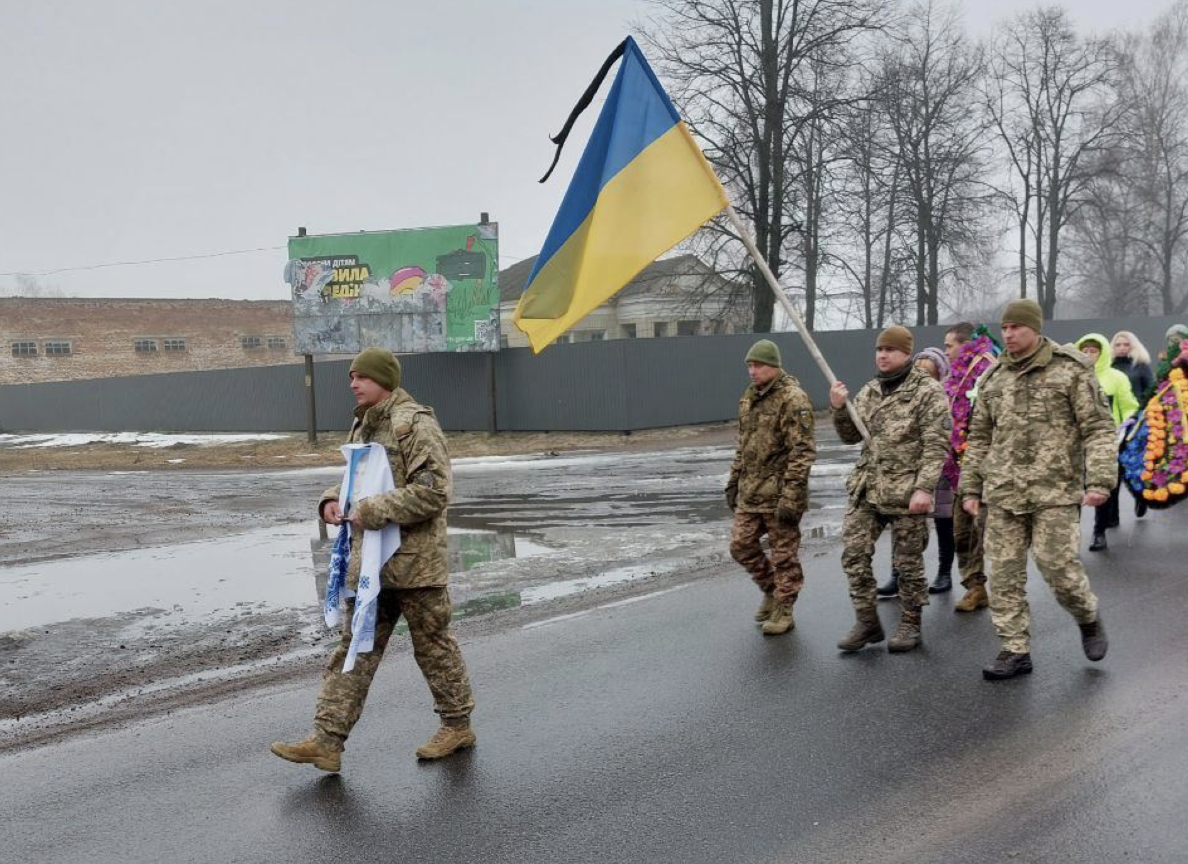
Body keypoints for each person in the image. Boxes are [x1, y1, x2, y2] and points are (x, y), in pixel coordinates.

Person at [272, 348, 476, 772]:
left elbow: (436, 491)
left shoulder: (414, 423)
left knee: (434, 649)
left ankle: (457, 726)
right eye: (351, 377)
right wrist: (331, 500)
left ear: (385, 379)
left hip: (416, 566)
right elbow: (358, 480)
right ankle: (327, 741)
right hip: (373, 566)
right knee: (354, 649)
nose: (353, 383)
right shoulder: (366, 422)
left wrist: (373, 510)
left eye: (361, 377)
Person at [959, 300, 1113, 680]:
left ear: (1034, 328)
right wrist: (970, 487)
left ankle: (1087, 617)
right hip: (1003, 493)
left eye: (1015, 327)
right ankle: (1014, 650)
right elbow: (979, 437)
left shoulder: (1070, 370)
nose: (1007, 334)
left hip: (1054, 493)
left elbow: (1098, 428)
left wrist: (1099, 480)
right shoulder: (993, 378)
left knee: (1059, 570)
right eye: (1004, 327)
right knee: (1005, 575)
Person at [830, 326, 950, 653]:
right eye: (880, 349)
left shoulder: (927, 391)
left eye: (890, 350)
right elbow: (851, 437)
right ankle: (867, 621)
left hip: (907, 490)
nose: (883, 355)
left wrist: (925, 488)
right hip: (869, 487)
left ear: (907, 353)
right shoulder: (871, 390)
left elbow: (936, 443)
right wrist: (840, 408)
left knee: (908, 562)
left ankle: (911, 622)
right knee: (854, 552)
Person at [726, 339, 816, 636]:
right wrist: (734, 480)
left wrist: (792, 495)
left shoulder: (793, 398)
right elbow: (744, 445)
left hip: (780, 494)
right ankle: (771, 590)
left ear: (774, 366)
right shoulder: (749, 398)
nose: (752, 371)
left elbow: (801, 451)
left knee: (783, 555)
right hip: (751, 492)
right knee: (740, 545)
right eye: (750, 365)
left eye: (759, 365)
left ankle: (784, 608)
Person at [877, 346, 954, 597]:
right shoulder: (902, 393)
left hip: (939, 468)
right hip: (906, 470)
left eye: (927, 373)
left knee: (944, 521)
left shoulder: (944, 395)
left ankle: (944, 572)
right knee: (901, 523)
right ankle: (897, 573)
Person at [942, 322, 998, 613]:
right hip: (960, 468)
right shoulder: (954, 375)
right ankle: (975, 587)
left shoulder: (988, 370)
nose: (945, 351)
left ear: (966, 346)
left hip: (988, 470)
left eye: (949, 345)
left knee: (991, 533)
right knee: (962, 532)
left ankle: (1005, 592)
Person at [1076, 334, 1139, 551]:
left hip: (1107, 440)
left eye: (1093, 350)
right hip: (1076, 442)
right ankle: (1071, 535)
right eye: (1084, 350)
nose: (1088, 354)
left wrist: (1128, 421)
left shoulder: (1116, 377)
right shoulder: (1072, 376)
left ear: (1102, 353)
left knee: (1103, 487)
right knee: (1074, 489)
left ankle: (1099, 532)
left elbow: (1129, 404)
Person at [1111, 330, 1155, 518]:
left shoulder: (1141, 366)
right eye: (1118, 344)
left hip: (1136, 424)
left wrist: (1140, 415)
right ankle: (1112, 513)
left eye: (1126, 344)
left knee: (1135, 465)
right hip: (1114, 425)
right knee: (1114, 470)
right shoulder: (1108, 367)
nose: (1122, 347)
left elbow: (1150, 391)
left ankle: (1140, 497)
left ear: (1133, 346)